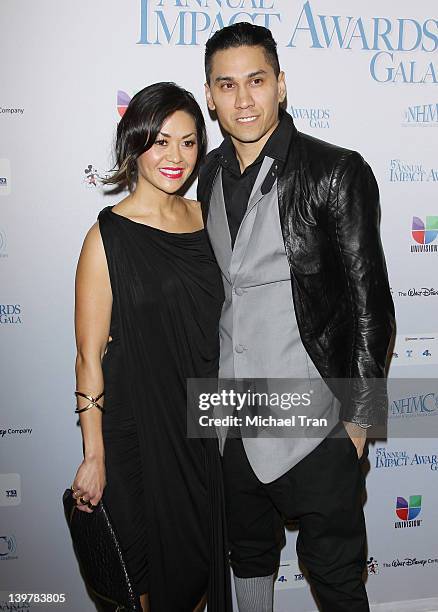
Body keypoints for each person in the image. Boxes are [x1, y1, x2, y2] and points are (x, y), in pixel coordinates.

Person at [197, 23, 395, 612]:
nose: (243, 100)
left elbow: (372, 308)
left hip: (319, 424)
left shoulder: (336, 171)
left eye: (256, 81)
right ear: (209, 95)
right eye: (226, 85)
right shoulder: (203, 174)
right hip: (232, 421)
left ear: (281, 85)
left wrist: (358, 426)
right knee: (248, 566)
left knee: (336, 580)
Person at [71, 82, 231, 612]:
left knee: (199, 574)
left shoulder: (212, 218)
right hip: (136, 433)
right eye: (161, 142)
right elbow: (89, 356)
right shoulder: (106, 238)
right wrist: (95, 455)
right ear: (135, 143)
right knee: (140, 581)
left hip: (202, 428)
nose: (175, 157)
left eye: (188, 143)